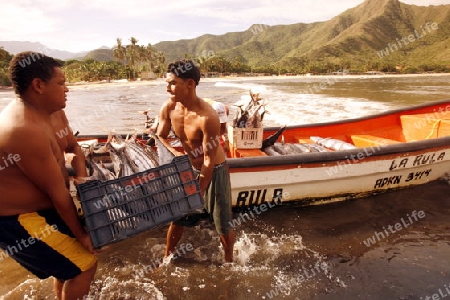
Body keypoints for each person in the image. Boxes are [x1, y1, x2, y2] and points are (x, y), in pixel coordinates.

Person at [0, 52, 97, 299]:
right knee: (84, 265)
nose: (67, 89)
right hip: (18, 220)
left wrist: (83, 180)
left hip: (47, 207)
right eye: (62, 83)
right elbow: (58, 193)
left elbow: (74, 148)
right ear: (38, 85)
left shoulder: (53, 110)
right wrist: (82, 235)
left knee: (66, 268)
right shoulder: (23, 129)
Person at [157, 59, 235, 262]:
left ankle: (229, 261)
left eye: (172, 83)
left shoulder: (207, 117)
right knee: (179, 218)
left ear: (190, 84)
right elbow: (160, 136)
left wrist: (198, 191)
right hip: (188, 168)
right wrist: (176, 154)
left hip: (215, 170)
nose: (168, 89)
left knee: (222, 223)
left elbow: (209, 160)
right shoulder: (169, 108)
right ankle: (167, 259)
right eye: (167, 83)